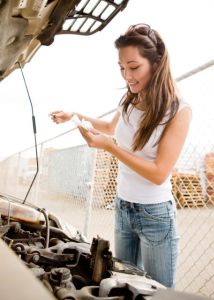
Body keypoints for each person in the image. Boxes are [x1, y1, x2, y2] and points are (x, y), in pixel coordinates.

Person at [50, 23, 192, 288]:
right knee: (122, 286)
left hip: (155, 216)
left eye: (134, 67)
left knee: (158, 293)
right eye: (121, 68)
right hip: (123, 207)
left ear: (157, 61)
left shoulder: (179, 110)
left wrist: (112, 147)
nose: (127, 75)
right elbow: (109, 128)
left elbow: (159, 172)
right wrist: (74, 116)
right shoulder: (130, 100)